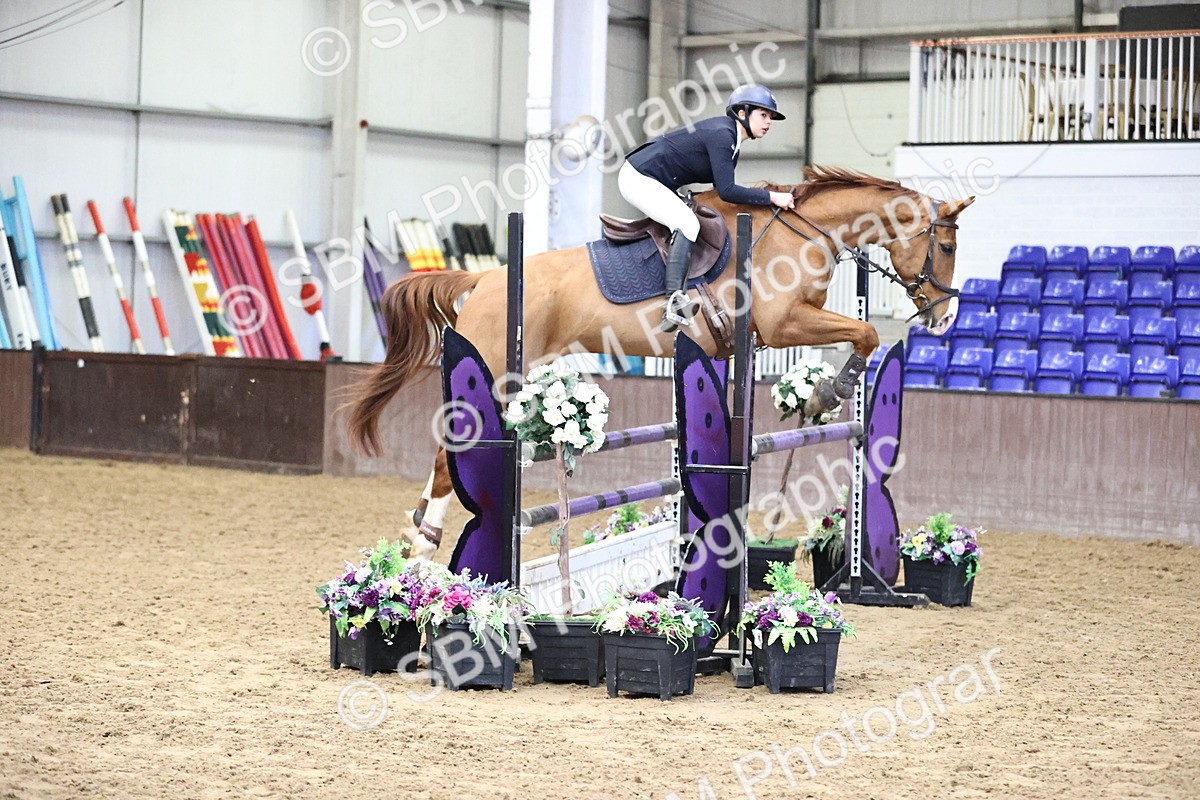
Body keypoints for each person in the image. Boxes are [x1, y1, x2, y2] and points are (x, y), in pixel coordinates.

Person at [619, 84, 796, 332]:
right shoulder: (723, 136)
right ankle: (674, 301)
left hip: (655, 179)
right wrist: (772, 197)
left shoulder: (732, 140)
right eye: (763, 115)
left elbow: (720, 193)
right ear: (742, 113)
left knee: (692, 220)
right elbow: (727, 191)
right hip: (639, 177)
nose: (768, 123)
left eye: (771, 118)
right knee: (687, 223)